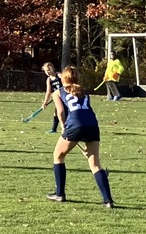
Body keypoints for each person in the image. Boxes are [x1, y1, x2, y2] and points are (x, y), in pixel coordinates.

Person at [48, 65, 115, 209]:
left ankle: (60, 194)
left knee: (58, 156)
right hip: (92, 125)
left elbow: (60, 111)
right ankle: (108, 200)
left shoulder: (58, 92)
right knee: (95, 164)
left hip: (74, 125)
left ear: (63, 78)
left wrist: (63, 126)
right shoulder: (84, 91)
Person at [40, 62, 63, 133]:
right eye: (46, 71)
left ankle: (64, 127)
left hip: (64, 96)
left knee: (62, 111)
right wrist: (45, 103)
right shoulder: (49, 80)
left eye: (48, 70)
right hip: (58, 97)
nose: (47, 72)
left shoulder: (59, 75)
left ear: (52, 68)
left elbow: (66, 84)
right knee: (56, 112)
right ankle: (54, 129)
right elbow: (48, 92)